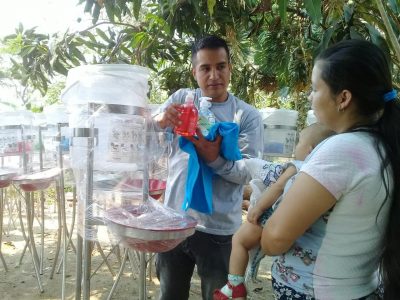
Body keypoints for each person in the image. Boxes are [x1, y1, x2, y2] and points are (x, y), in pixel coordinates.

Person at [260, 39, 400, 299]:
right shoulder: (382, 144)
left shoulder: (343, 150)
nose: (310, 96)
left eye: (315, 88)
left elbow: (274, 239)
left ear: (343, 98)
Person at [153, 35, 263, 300]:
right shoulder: (182, 100)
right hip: (174, 220)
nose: (214, 75)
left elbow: (248, 171)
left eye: (221, 66)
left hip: (218, 229)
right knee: (169, 293)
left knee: (217, 294)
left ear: (230, 68)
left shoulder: (246, 116)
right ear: (194, 72)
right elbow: (152, 129)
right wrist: (159, 120)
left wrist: (214, 158)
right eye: (205, 68)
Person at [213, 123, 334, 300]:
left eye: (299, 142)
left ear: (310, 150)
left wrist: (258, 208)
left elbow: (277, 187)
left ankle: (235, 285)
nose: (295, 147)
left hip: (273, 216)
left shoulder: (297, 166)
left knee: (239, 240)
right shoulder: (326, 174)